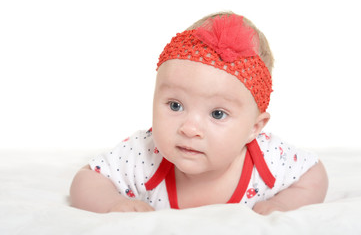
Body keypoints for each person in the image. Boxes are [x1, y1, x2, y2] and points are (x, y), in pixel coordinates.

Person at [70, 12, 328, 215]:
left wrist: (283, 205)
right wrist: (113, 204)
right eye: (175, 106)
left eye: (217, 114)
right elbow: (87, 178)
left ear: (254, 128)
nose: (189, 128)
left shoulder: (268, 159)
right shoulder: (144, 154)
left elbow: (314, 174)